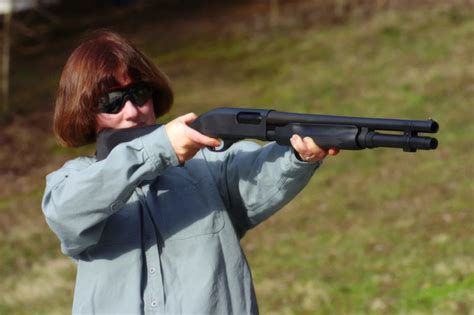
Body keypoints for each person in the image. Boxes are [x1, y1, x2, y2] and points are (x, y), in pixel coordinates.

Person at [42, 30, 339, 315]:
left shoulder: (208, 165)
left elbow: (260, 172)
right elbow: (69, 213)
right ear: (84, 112)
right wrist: (158, 149)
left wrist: (298, 155)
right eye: (111, 101)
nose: (131, 111)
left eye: (138, 93)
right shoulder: (72, 182)